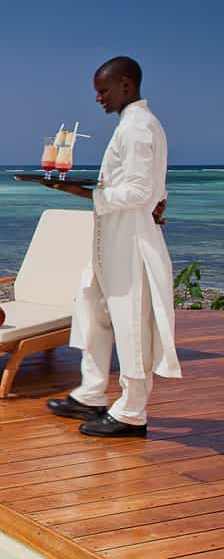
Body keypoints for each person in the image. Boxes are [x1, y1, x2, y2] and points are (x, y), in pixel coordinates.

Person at [46, 56, 182, 437]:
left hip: (129, 238)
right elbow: (153, 182)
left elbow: (139, 189)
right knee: (93, 308)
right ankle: (91, 393)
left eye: (103, 91)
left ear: (126, 85)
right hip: (112, 234)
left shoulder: (139, 127)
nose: (98, 99)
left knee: (130, 320)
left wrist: (86, 193)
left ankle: (131, 412)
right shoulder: (133, 125)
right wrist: (157, 200)